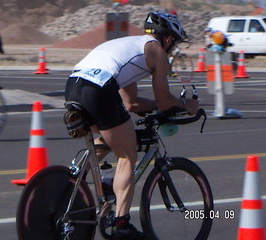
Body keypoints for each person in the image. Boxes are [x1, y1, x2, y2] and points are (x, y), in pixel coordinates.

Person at [65, 12, 198, 240]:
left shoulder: (131, 46)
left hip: (74, 85)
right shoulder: (157, 51)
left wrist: (155, 105)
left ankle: (72, 185)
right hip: (99, 88)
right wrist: (186, 104)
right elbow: (165, 102)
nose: (172, 49)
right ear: (167, 39)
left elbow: (130, 102)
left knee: (111, 136)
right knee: (127, 154)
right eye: (173, 44)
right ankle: (121, 224)